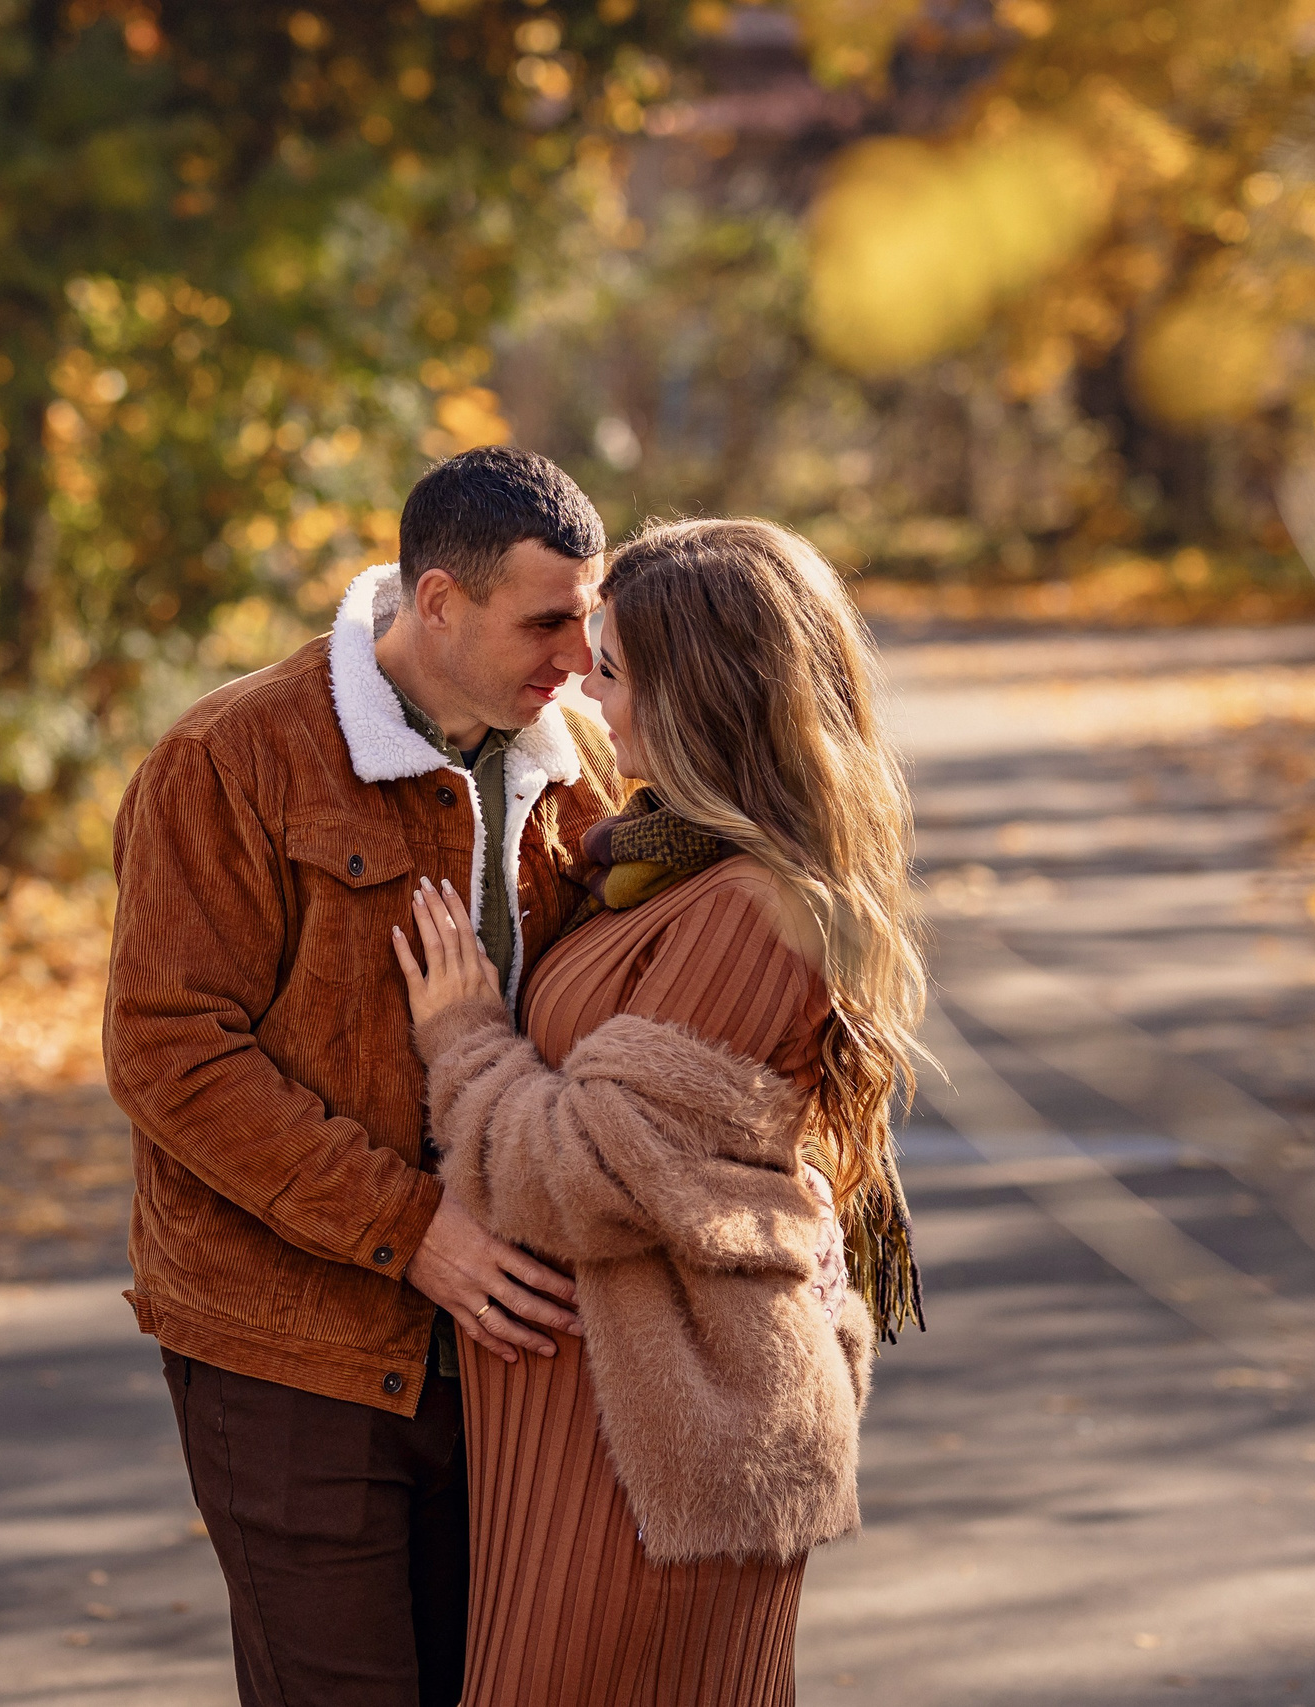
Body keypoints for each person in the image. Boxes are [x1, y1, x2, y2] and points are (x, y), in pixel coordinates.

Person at [103, 446, 629, 1707]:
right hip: (290, 1352)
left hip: (509, 1367)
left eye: (586, 619)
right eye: (544, 621)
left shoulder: (580, 771)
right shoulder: (231, 759)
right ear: (437, 603)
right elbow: (168, 1052)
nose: (575, 657)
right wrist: (411, 1232)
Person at [391, 516, 926, 1707]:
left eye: (616, 667)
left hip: (660, 1460)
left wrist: (463, 1039)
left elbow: (583, 1169)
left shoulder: (750, 911)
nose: (586, 681)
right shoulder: (660, 867)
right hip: (603, 1440)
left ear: (701, 699)